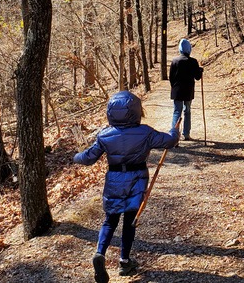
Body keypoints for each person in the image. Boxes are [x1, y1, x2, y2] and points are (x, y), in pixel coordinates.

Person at [74, 91, 180, 283]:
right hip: (136, 180)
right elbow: (170, 141)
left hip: (114, 180)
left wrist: (76, 157)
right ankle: (124, 261)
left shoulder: (105, 135)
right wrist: (175, 130)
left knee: (110, 220)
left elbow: (88, 158)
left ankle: (100, 253)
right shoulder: (145, 132)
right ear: (136, 111)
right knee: (130, 221)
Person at [169, 38, 203, 140]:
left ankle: (174, 136)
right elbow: (197, 77)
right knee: (187, 111)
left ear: (180, 49)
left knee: (176, 112)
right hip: (188, 91)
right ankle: (186, 134)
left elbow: (171, 77)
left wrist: (174, 87)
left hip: (177, 91)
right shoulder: (193, 62)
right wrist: (200, 71)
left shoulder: (175, 61)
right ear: (189, 49)